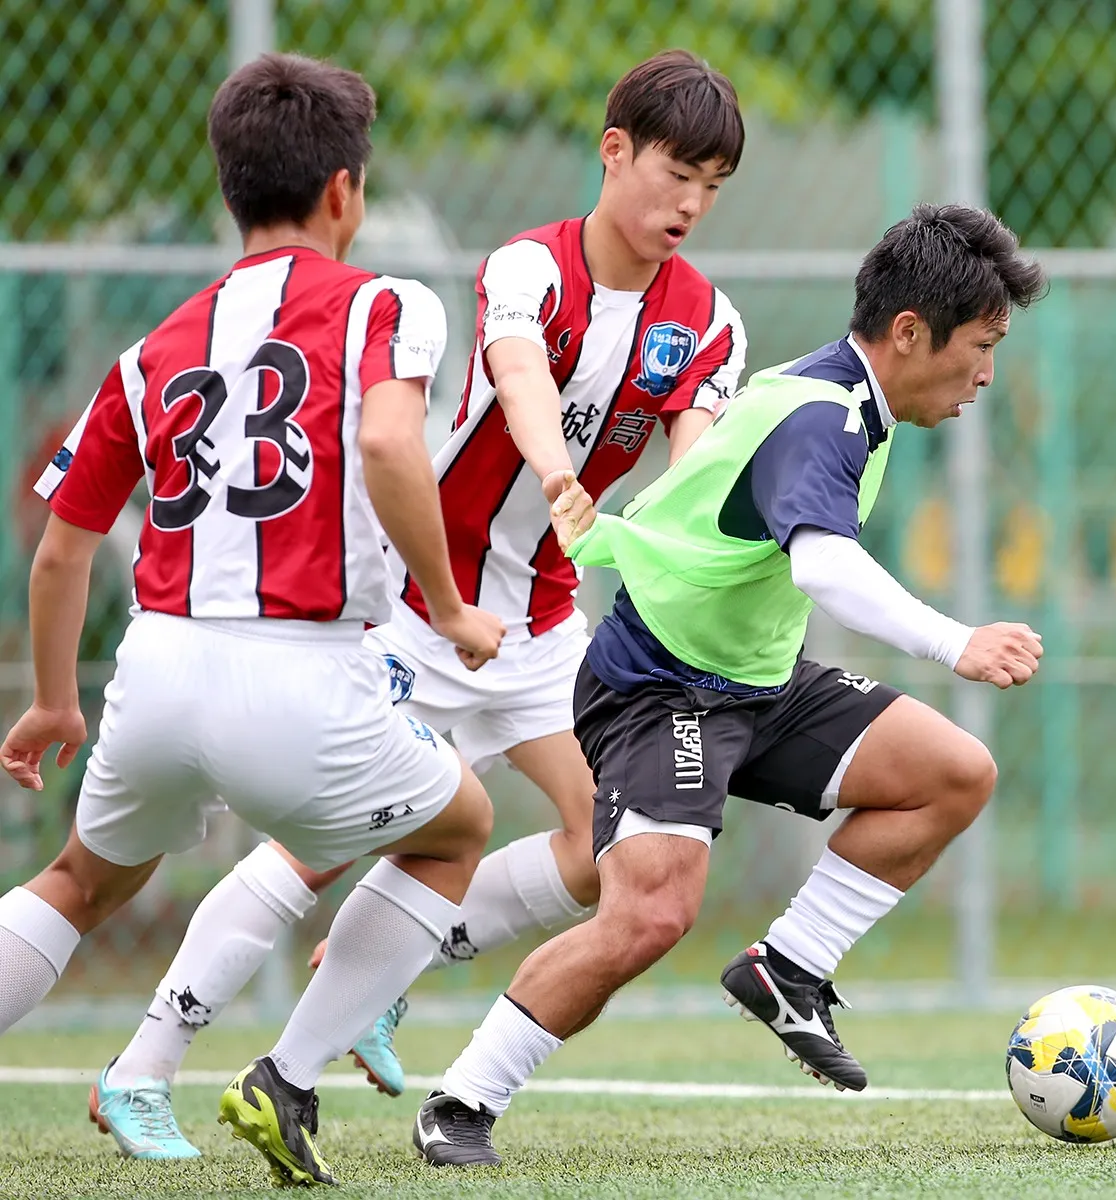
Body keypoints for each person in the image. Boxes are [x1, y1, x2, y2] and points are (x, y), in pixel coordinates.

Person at [410, 203, 1049, 1167]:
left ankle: (789, 968)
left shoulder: (848, 403)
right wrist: (952, 641)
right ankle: (461, 1100)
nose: (987, 374)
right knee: (651, 913)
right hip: (660, 687)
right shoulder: (822, 415)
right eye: (982, 346)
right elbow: (822, 567)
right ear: (911, 333)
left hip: (753, 679)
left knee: (953, 772)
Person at [206, 47, 748, 1181]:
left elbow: (693, 467)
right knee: (326, 842)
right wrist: (560, 480)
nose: (691, 202)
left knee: (614, 843)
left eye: (713, 181)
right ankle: (152, 1056)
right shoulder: (527, 267)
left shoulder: (710, 322)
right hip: (422, 607)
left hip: (544, 626)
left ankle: (371, 995)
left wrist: (674, 536)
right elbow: (519, 379)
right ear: (615, 151)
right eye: (675, 172)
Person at [0, 52, 506, 1184]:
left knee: (79, 884)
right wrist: (452, 605)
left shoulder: (154, 348)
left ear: (231, 190)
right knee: (455, 828)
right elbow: (385, 444)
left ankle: (149, 1066)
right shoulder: (386, 301)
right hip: (302, 670)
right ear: (345, 191)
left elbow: (61, 549)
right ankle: (287, 1077)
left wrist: (48, 702)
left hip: (159, 669)